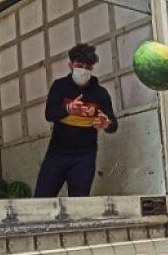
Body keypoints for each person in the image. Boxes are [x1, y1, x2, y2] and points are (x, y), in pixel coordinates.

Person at [34, 43, 118, 198]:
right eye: (79, 65)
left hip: (84, 157)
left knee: (79, 204)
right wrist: (68, 109)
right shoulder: (60, 87)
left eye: (88, 67)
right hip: (56, 154)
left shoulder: (100, 93)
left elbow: (113, 124)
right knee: (41, 200)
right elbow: (49, 114)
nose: (83, 70)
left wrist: (107, 123)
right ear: (70, 65)